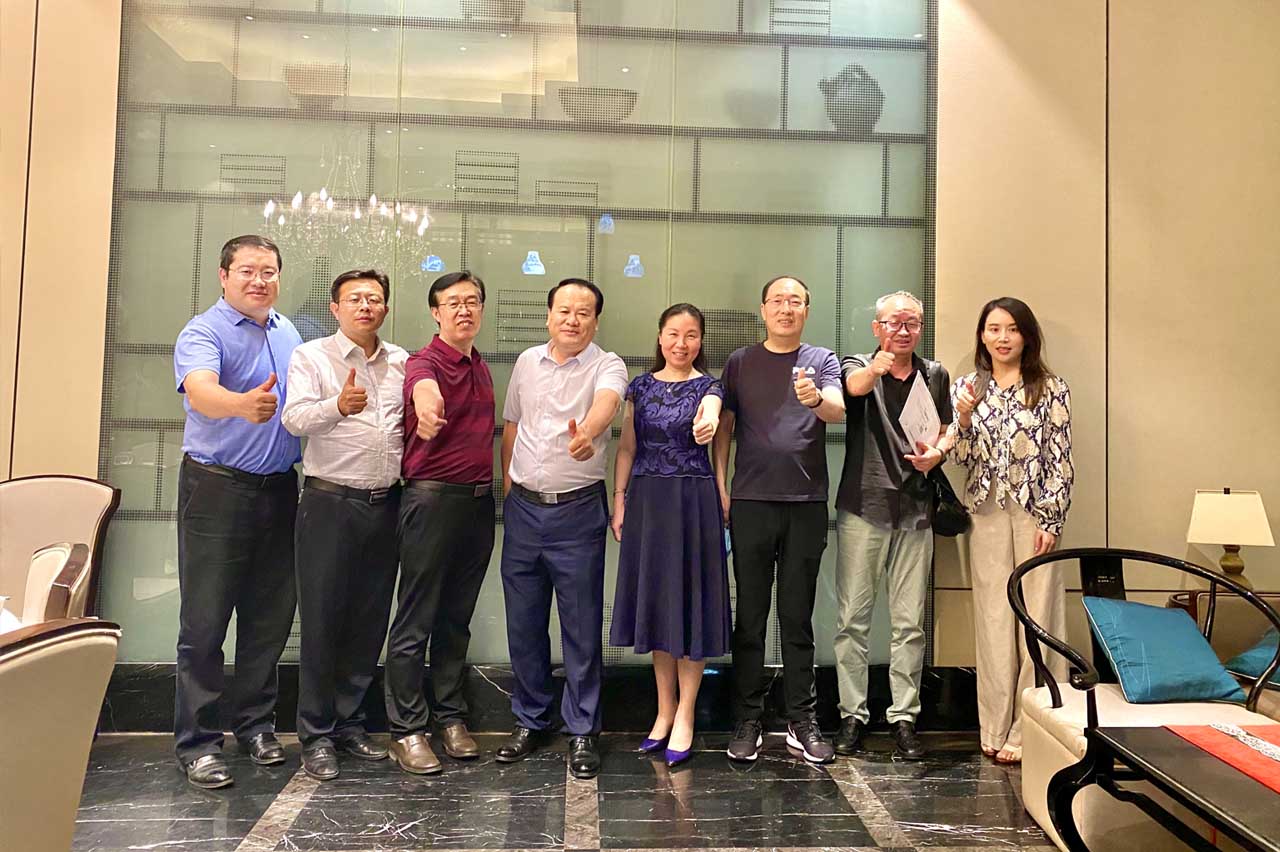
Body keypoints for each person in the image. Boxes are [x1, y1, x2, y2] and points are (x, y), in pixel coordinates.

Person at [172, 234, 302, 789]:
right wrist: (241, 404)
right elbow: (200, 391)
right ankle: (198, 743)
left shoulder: (288, 331)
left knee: (268, 617)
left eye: (268, 271)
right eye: (247, 270)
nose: (259, 280)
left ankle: (255, 725)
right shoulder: (204, 331)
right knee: (205, 621)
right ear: (224, 276)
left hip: (281, 491)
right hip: (217, 489)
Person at [496, 277, 628, 779]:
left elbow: (607, 404)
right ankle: (531, 719)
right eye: (564, 311)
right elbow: (512, 425)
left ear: (595, 321)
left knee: (580, 625)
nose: (572, 320)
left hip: (576, 513)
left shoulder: (607, 364)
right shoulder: (527, 362)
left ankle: (582, 730)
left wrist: (588, 433)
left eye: (583, 312)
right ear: (549, 315)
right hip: (524, 511)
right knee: (523, 622)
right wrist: (509, 488)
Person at [712, 275, 845, 765]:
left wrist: (814, 400)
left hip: (805, 503)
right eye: (777, 301)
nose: (786, 309)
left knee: (796, 615)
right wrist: (721, 486)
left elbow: (837, 410)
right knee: (749, 615)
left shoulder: (822, 359)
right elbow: (724, 428)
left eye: (795, 301)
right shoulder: (740, 362)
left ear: (806, 310)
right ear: (763, 309)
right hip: (750, 502)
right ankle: (747, 718)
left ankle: (800, 719)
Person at [280, 268, 407, 781]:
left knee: (369, 619)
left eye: (374, 299)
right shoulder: (311, 357)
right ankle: (315, 734)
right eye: (354, 299)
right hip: (329, 504)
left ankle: (351, 723)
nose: (365, 306)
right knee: (322, 619)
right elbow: (293, 418)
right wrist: (337, 406)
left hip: (386, 505)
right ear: (335, 308)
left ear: (385, 308)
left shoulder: (401, 362)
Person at [949, 297, 1073, 765]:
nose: (1002, 338)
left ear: (1026, 336)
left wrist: (1051, 519)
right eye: (994, 329)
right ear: (982, 336)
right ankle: (995, 726)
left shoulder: (1050, 388)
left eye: (1012, 329)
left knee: (1038, 619)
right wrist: (962, 418)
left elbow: (1061, 457)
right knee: (994, 620)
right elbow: (960, 458)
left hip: (1033, 514)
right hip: (985, 512)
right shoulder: (967, 387)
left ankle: (1035, 728)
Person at [384, 271, 497, 776]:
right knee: (417, 617)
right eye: (453, 303)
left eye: (472, 302)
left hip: (477, 505)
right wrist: (427, 411)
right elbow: (424, 394)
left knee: (456, 618)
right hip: (430, 502)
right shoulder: (423, 362)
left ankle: (451, 718)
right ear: (435, 312)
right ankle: (407, 729)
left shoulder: (482, 366)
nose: (464, 310)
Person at [610, 303, 731, 768]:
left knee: (691, 604)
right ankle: (663, 711)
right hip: (647, 501)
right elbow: (627, 448)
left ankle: (686, 714)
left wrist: (709, 422)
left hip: (693, 502)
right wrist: (619, 498)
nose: (682, 343)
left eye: (692, 335)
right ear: (660, 337)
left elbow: (712, 416)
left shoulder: (709, 388)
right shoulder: (639, 387)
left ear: (701, 341)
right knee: (659, 606)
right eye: (674, 334)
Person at [833, 290, 952, 761]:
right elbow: (852, 387)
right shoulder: (858, 363)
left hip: (916, 508)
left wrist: (938, 452)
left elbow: (946, 427)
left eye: (912, 323)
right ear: (876, 327)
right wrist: (876, 369)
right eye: (894, 323)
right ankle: (852, 714)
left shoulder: (935, 374)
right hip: (864, 506)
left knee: (909, 623)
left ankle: (904, 717)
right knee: (852, 620)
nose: (903, 331)